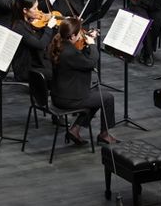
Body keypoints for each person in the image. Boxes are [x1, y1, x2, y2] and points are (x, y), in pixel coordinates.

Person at [49, 17, 117, 145]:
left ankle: (75, 130)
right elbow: (90, 62)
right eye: (79, 33)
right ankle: (105, 134)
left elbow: (79, 59)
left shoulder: (58, 44)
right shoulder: (70, 53)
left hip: (57, 95)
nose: (81, 35)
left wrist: (85, 44)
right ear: (72, 36)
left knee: (95, 95)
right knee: (107, 98)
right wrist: (92, 44)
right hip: (69, 99)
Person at [10, 0, 57, 82]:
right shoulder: (19, 28)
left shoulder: (27, 21)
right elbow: (40, 44)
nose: (38, 11)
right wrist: (49, 27)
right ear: (25, 10)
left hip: (36, 61)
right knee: (57, 74)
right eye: (34, 8)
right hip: (26, 69)